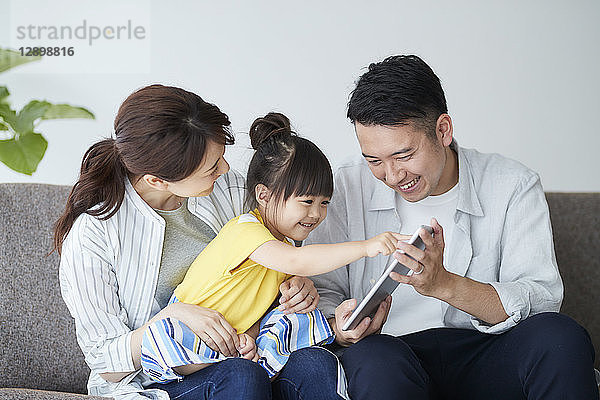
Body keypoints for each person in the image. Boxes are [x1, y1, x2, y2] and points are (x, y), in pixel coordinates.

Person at [306, 55, 599, 399]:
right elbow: (321, 291)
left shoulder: (512, 184)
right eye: (374, 160)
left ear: (442, 130)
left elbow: (541, 300)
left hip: (488, 351)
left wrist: (445, 285)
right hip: (390, 353)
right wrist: (341, 329)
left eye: (403, 155)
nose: (392, 175)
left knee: (559, 337)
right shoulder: (345, 185)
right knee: (372, 361)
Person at [55, 85, 346, 400]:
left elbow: (273, 255)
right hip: (156, 379)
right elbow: (105, 362)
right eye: (211, 167)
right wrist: (172, 316)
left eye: (221, 157)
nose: (224, 169)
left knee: (314, 363)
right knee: (240, 377)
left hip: (247, 345)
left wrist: (293, 284)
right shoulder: (94, 235)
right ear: (157, 180)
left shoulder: (229, 187)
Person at [139, 112, 402, 385]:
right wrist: (367, 247)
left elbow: (262, 305)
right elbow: (298, 261)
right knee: (163, 337)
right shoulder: (246, 230)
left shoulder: (284, 245)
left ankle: (248, 353)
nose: (316, 214)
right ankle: (203, 364)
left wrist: (250, 337)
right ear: (263, 195)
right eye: (306, 201)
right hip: (186, 327)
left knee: (292, 315)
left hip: (230, 338)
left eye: (324, 203)